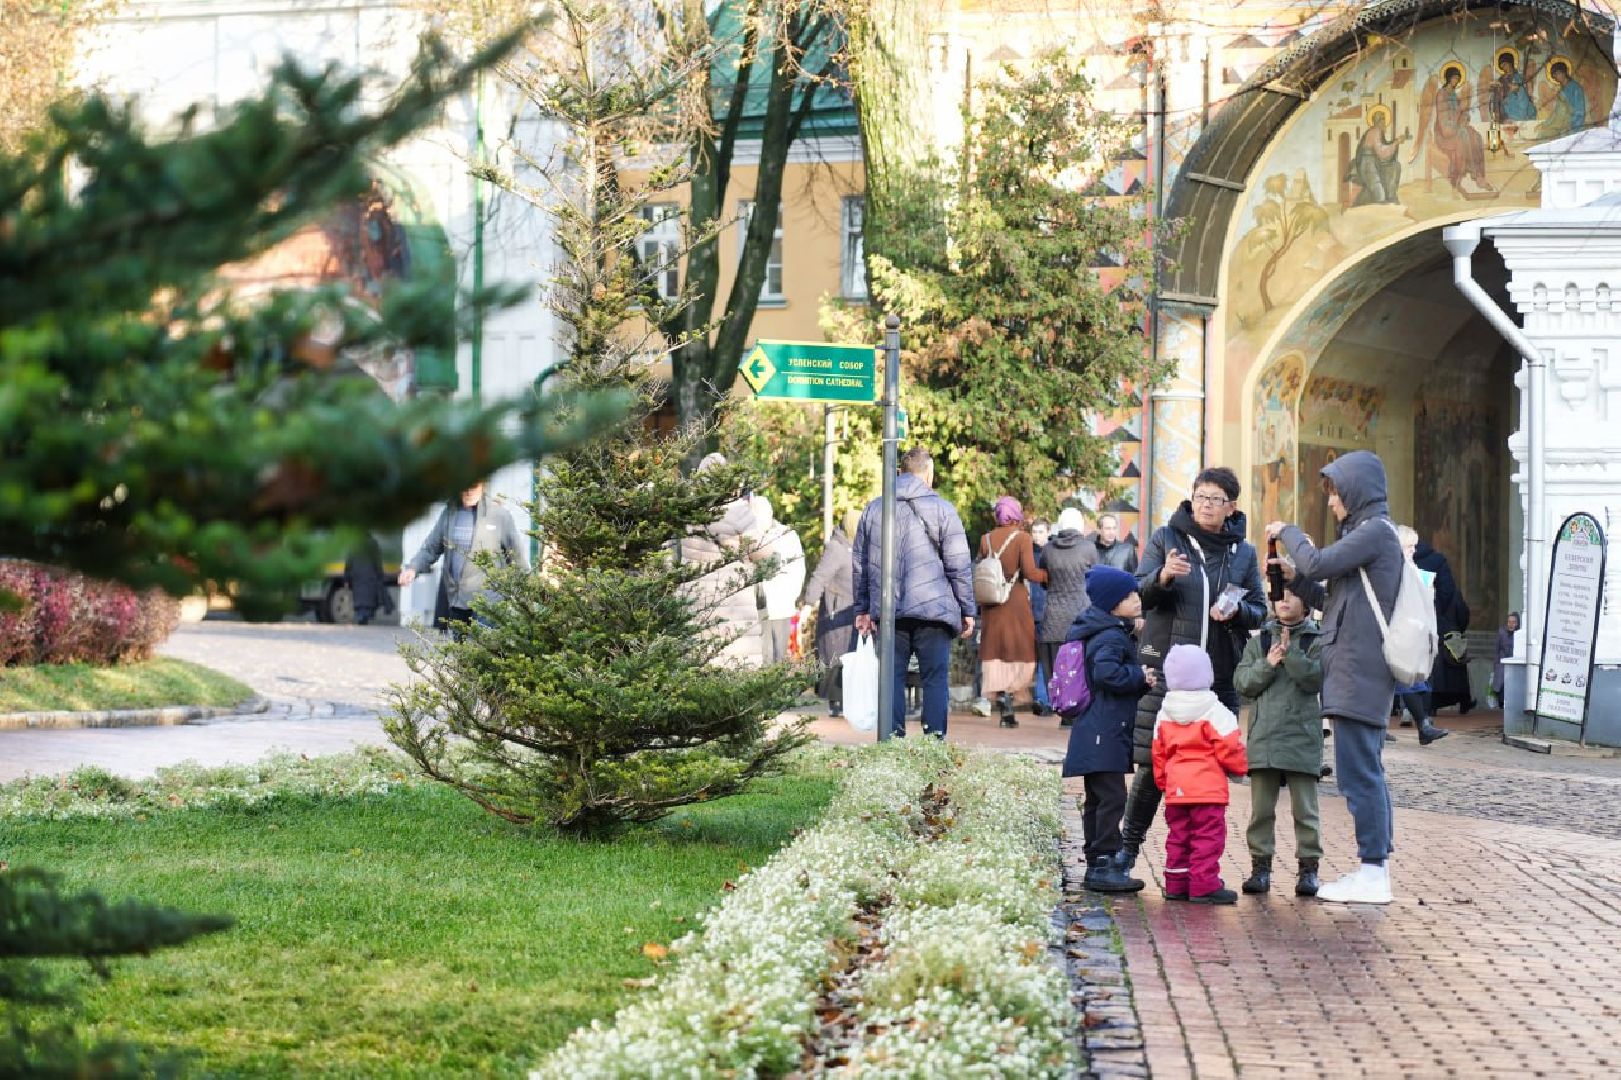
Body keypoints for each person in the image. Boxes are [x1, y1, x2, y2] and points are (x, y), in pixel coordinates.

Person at [1265, 450, 1402, 905]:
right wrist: (1295, 577)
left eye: (1336, 493)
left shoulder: (1375, 533)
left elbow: (1319, 563)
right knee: (1363, 770)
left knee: (1360, 774)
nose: (1331, 503)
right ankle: (1373, 867)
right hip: (1351, 670)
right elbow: (1332, 596)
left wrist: (1288, 535)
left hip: (1360, 671)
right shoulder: (1368, 536)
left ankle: (1373, 871)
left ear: (1356, 491)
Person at [1117, 467, 1266, 872]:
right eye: (1200, 496)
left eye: (1215, 499)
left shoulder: (1244, 554)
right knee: (1153, 764)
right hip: (1168, 674)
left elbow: (1260, 612)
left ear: (1231, 506)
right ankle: (1127, 850)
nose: (1205, 505)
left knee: (1207, 774)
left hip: (1218, 679)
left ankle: (1194, 868)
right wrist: (1163, 575)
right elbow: (1137, 592)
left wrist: (1238, 612)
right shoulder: (1168, 539)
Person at [852, 446, 976, 738]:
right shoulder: (944, 509)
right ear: (928, 473)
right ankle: (932, 744)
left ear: (899, 473)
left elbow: (860, 563)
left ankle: (893, 742)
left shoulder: (875, 508)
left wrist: (862, 609)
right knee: (934, 680)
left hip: (889, 609)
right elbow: (959, 565)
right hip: (935, 610)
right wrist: (968, 610)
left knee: (891, 679)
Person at [1061, 565, 1155, 893]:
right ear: (1113, 603)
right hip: (1104, 730)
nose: (1137, 598)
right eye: (1129, 595)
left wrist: (1138, 681)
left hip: (1096, 729)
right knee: (1113, 797)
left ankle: (1097, 862)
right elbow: (1105, 674)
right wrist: (1139, 677)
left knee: (1099, 798)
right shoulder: (1111, 634)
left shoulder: (1101, 629)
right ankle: (1103, 864)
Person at [1233, 585, 1325, 897]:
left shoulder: (1317, 640)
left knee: (1306, 811)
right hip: (1265, 737)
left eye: (1292, 595)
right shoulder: (1260, 641)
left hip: (1302, 736)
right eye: (1279, 595)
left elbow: (1315, 678)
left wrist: (1291, 655)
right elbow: (1243, 684)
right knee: (1261, 811)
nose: (1284, 601)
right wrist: (1268, 664)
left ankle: (1308, 870)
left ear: (1307, 602)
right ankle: (1260, 869)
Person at [1153, 644, 1248, 904]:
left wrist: (1163, 781)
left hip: (1177, 790)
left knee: (1178, 836)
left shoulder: (1164, 713)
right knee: (1207, 837)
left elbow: (1159, 753)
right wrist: (1239, 768)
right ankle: (1204, 885)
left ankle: (1176, 884)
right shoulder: (1214, 710)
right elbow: (1230, 746)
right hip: (1208, 789)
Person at [400, 481, 527, 636]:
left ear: (482, 485)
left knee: (483, 653)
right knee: (461, 655)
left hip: (488, 602)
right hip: (457, 600)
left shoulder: (499, 515)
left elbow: (516, 557)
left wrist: (527, 595)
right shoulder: (450, 513)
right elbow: (431, 547)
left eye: (473, 487)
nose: (468, 492)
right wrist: (413, 568)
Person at [678, 453, 765, 667]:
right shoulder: (740, 514)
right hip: (734, 600)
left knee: (699, 667)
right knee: (737, 668)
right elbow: (764, 554)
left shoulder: (687, 515)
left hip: (696, 599)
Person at [977, 496, 1048, 728]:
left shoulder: (985, 539)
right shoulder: (1022, 538)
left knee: (996, 653)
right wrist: (1050, 576)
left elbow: (981, 568)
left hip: (992, 605)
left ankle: (1002, 700)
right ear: (1015, 514)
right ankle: (1009, 698)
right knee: (1019, 651)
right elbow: (1029, 572)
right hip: (1015, 603)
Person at [1039, 507, 1099, 728]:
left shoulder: (1047, 550)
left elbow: (1044, 578)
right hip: (1081, 616)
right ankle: (1079, 712)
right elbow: (1096, 577)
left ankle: (1064, 713)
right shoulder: (1089, 548)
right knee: (1081, 666)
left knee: (1056, 668)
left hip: (1053, 616)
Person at [1394, 525, 1450, 744]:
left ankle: (1423, 726)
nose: (1413, 551)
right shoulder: (1397, 568)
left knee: (1410, 680)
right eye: (1409, 546)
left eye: (1414, 547)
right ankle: (1423, 727)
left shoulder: (1410, 567)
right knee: (1405, 680)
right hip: (1399, 631)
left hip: (1411, 630)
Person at [800, 511, 858, 717]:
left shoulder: (857, 547)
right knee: (835, 657)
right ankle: (836, 703)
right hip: (836, 612)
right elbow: (820, 577)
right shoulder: (836, 548)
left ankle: (846, 700)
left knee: (848, 657)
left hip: (851, 612)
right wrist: (808, 603)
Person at [1414, 537, 1473, 714]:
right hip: (1442, 627)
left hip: (1412, 619)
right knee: (1446, 668)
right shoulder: (1438, 561)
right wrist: (1438, 611)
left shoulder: (1407, 560)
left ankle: (1410, 707)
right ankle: (1432, 707)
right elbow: (1449, 594)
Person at [751, 496, 806, 665]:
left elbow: (798, 569)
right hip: (758, 609)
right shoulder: (750, 536)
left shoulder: (787, 536)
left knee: (778, 658)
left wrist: (790, 596)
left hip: (781, 605)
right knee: (763, 658)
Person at [343, 533, 395, 626]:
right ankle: (365, 615)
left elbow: (348, 562)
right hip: (370, 574)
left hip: (357, 575)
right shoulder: (373, 543)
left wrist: (346, 577)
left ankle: (361, 615)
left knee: (359, 597)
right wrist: (380, 574)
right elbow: (377, 561)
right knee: (369, 597)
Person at [1029, 520, 1052, 717]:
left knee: (1045, 659)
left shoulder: (1054, 553)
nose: (1037, 536)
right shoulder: (1027, 553)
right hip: (1031, 612)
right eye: (1034, 532)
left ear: (1048, 532)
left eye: (1041, 532)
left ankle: (1043, 698)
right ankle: (1043, 698)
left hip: (1049, 613)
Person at [1491, 611, 1520, 709]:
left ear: (1517, 623)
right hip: (1502, 663)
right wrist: (1495, 665)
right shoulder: (1501, 632)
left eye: (1514, 622)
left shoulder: (1520, 634)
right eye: (1509, 622)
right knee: (1501, 685)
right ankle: (1501, 705)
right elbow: (1496, 650)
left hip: (1514, 664)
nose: (1511, 624)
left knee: (1511, 685)